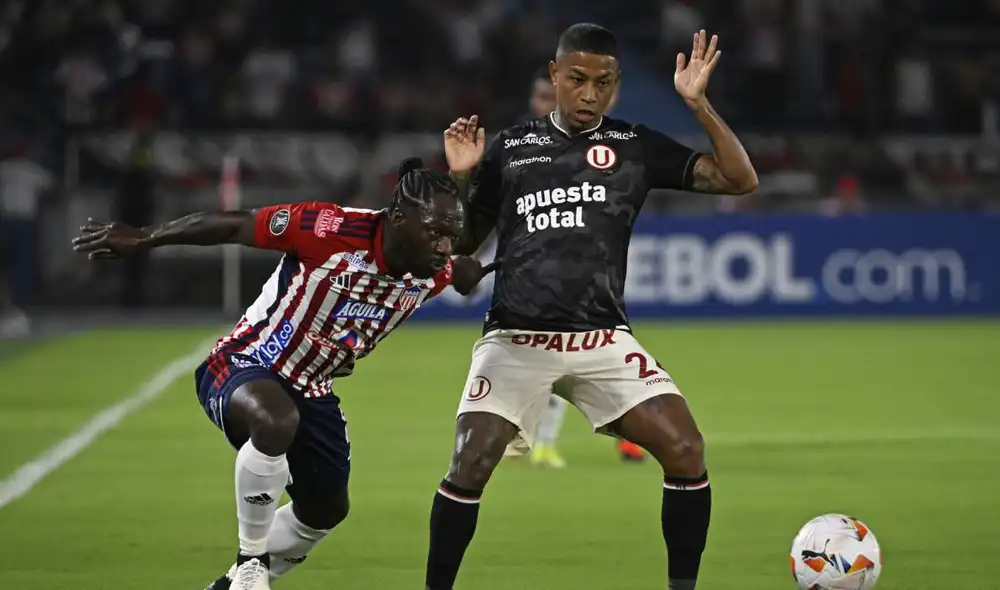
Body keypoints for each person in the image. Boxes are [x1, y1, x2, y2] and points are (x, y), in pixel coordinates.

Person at [429, 25, 757, 590]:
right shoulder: (510, 148)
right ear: (554, 75)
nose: (589, 94)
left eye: (602, 83)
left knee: (685, 448)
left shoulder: (635, 147)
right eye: (577, 80)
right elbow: (462, 248)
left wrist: (699, 105)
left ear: (617, 86)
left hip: (601, 337)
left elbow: (739, 179)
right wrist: (459, 178)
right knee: (471, 462)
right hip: (515, 338)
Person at [72, 158, 493, 590]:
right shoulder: (327, 227)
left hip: (313, 388)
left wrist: (464, 213)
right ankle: (251, 561)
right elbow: (236, 225)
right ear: (399, 220)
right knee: (276, 421)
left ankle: (231, 586)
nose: (445, 247)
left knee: (327, 507)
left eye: (451, 237)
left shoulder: (432, 271)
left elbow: (459, 259)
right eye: (436, 234)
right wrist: (146, 238)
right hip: (245, 362)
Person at [510, 64, 646, 467]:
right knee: (532, 363)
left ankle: (554, 440)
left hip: (586, 276)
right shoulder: (514, 149)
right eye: (539, 97)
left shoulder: (595, 143)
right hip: (526, 277)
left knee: (574, 357)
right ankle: (521, 435)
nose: (545, 104)